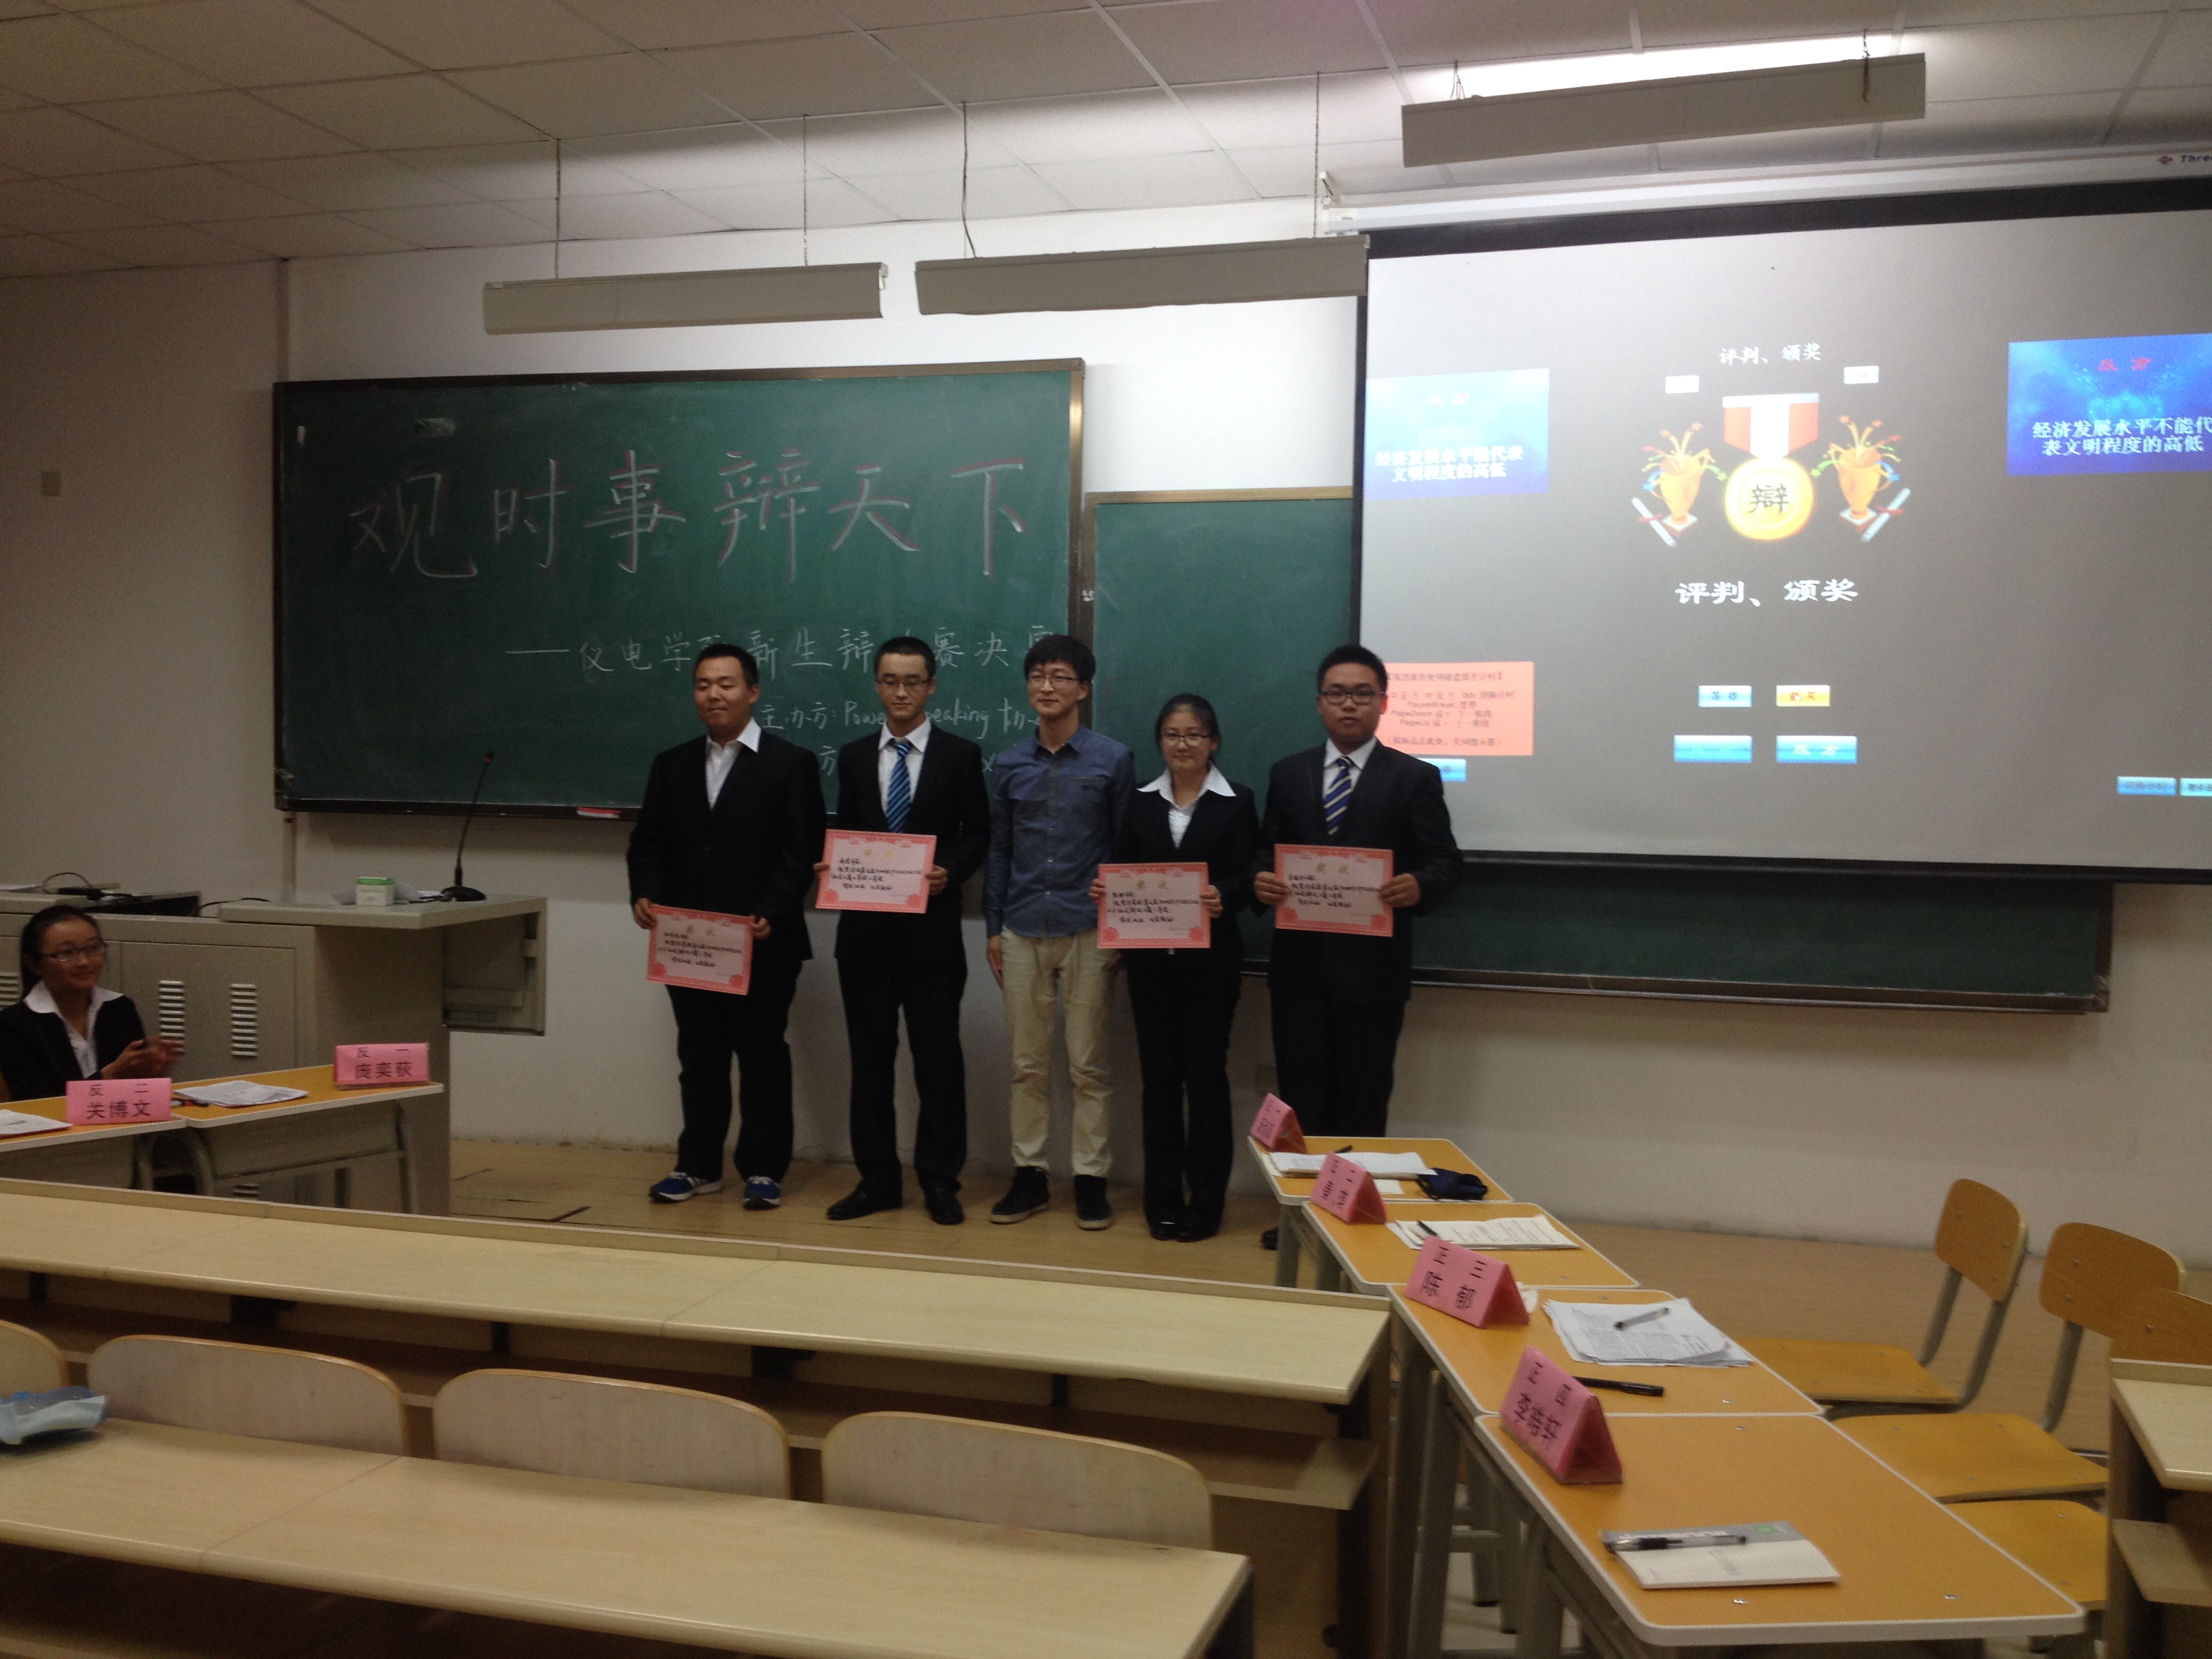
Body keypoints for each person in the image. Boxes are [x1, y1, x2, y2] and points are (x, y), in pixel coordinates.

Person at [628, 642, 825, 1210]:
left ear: (753, 691)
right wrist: (645, 894)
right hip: (688, 942)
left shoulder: (790, 762)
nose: (713, 694)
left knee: (762, 1056)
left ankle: (764, 1169)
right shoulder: (672, 764)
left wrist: (772, 910)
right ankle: (697, 1166)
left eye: (726, 684)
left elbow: (802, 848)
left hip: (763, 941)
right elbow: (648, 842)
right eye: (703, 685)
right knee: (699, 1057)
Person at [1254, 644, 1460, 1164]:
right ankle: (1302, 1205)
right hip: (1300, 972)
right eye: (1337, 693)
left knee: (1363, 1102)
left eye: (1363, 694)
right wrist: (1260, 879)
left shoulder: (1414, 777)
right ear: (1319, 703)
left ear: (1383, 702)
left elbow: (1445, 860)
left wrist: (1420, 885)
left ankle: (1348, 1205)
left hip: (1373, 975)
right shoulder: (1287, 773)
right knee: (1301, 1100)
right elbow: (1264, 851)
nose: (1350, 704)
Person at [819, 637, 991, 1227]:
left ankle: (940, 1181)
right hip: (864, 939)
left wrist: (951, 871)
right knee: (869, 1063)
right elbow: (849, 832)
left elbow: (979, 834)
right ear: (876, 684)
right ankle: (877, 1181)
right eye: (890, 680)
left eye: (912, 681)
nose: (901, 691)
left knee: (937, 1063)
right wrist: (834, 866)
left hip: (931, 938)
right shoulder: (852, 756)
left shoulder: (960, 755)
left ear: (932, 686)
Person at [1091, 694, 1257, 1243]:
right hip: (1150, 966)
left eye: (1194, 734)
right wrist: (1108, 892)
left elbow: (1251, 875)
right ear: (1159, 742)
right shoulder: (1141, 801)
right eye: (1171, 735)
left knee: (1206, 1081)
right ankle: (1160, 1199)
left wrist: (1223, 894)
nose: (1182, 744)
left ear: (1214, 741)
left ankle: (1206, 1202)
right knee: (1159, 1083)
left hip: (1211, 966)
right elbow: (1123, 866)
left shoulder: (1238, 801)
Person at [983, 633, 1134, 1231]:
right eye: (1037, 676)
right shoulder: (1008, 763)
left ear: (1084, 689)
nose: (1047, 687)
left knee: (1089, 1065)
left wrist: (1121, 929)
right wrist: (993, 928)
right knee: (1027, 1064)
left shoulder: (1112, 760)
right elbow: (1000, 850)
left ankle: (1091, 1180)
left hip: (1089, 929)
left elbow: (1125, 848)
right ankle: (1030, 1176)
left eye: (1060, 677)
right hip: (1021, 926)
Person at [0, 906, 180, 1103]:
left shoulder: (119, 1008)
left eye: (93, 948)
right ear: (34, 964)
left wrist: (151, 1069)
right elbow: (38, 1105)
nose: (84, 962)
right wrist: (109, 1076)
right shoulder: (13, 1025)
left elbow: (136, 1095)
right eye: (67, 952)